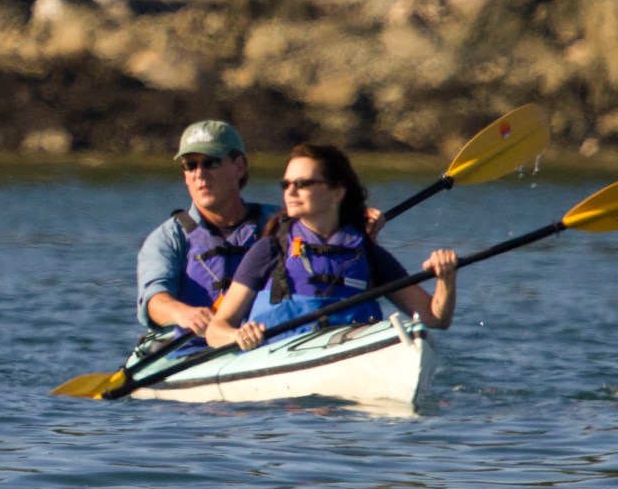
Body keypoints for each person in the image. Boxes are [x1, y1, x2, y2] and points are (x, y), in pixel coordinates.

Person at [204, 143, 457, 351]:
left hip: (349, 355)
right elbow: (216, 331)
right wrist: (238, 335)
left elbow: (435, 317)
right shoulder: (269, 249)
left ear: (336, 193)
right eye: (286, 184)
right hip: (279, 363)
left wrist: (446, 279)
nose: (290, 192)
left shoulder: (366, 253)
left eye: (302, 184)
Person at [135, 120, 278, 342]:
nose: (199, 174)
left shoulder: (277, 224)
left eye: (210, 163)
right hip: (194, 354)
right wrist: (183, 313)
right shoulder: (166, 239)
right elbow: (154, 302)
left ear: (239, 167)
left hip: (268, 344)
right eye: (190, 165)